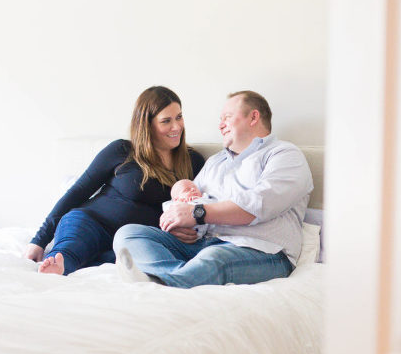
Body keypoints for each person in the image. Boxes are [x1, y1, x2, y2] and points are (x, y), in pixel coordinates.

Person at [113, 90, 313, 288]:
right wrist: (179, 225)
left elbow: (260, 204)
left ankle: (166, 283)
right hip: (201, 245)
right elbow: (189, 202)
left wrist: (197, 213)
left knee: (214, 257)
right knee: (128, 234)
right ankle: (172, 278)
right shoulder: (215, 162)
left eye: (227, 117)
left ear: (253, 117)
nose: (220, 125)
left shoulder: (284, 154)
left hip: (260, 250)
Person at [23, 86, 205, 275]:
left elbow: (202, 205)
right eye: (166, 121)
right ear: (147, 125)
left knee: (128, 262)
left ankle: (84, 262)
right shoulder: (122, 151)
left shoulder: (194, 161)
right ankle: (57, 267)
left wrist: (176, 228)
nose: (176, 127)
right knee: (71, 250)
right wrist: (38, 240)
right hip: (91, 222)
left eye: (179, 117)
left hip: (133, 239)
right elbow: (77, 192)